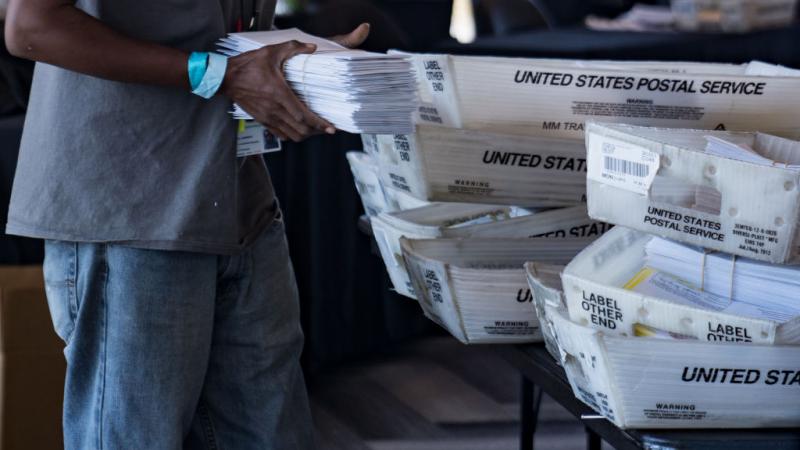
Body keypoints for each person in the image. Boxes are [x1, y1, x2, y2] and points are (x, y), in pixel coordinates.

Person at [3, 0, 369, 448]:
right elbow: (31, 26)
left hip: (240, 206)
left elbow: (213, 33)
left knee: (274, 435)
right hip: (132, 217)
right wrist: (219, 74)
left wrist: (306, 64)